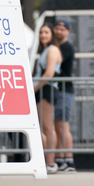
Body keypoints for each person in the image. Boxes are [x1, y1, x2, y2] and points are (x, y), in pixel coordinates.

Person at [34, 23, 61, 174]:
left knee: (48, 127)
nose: (43, 35)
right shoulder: (44, 50)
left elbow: (49, 73)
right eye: (41, 32)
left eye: (46, 32)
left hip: (47, 90)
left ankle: (51, 163)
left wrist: (34, 88)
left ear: (52, 35)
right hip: (42, 90)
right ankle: (46, 161)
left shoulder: (52, 50)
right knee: (43, 128)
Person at [53, 18, 77, 173]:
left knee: (63, 126)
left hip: (64, 90)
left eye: (63, 29)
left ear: (68, 31)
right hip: (57, 91)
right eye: (57, 28)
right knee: (57, 126)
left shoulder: (66, 47)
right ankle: (60, 159)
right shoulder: (56, 46)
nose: (59, 31)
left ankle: (69, 160)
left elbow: (56, 63)